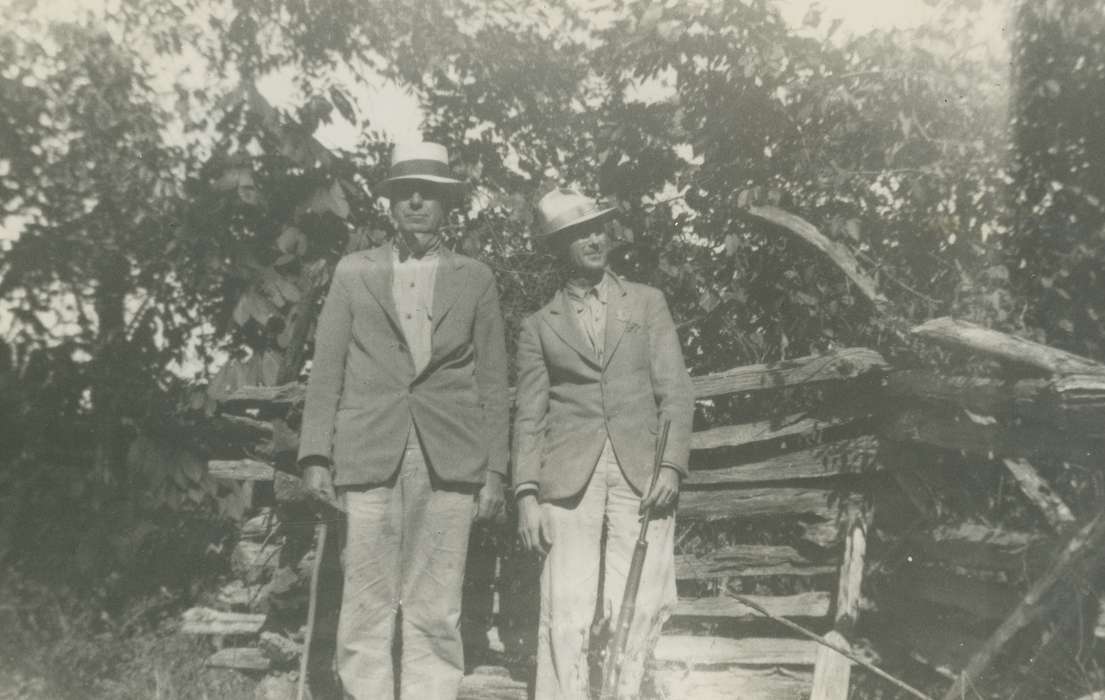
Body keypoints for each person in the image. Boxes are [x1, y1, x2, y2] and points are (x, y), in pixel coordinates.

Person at [297, 142, 509, 700]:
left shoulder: (476, 277)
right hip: (367, 451)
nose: (416, 202)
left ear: (446, 205)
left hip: (450, 456)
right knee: (366, 600)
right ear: (389, 204)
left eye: (430, 194)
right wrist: (317, 454)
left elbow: (492, 382)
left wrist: (496, 473)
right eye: (404, 193)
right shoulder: (354, 272)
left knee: (436, 604)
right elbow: (327, 370)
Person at [512, 188, 695, 699]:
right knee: (564, 609)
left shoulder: (647, 302)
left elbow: (676, 392)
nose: (593, 239)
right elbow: (529, 415)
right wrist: (526, 494)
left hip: (642, 474)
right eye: (577, 234)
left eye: (597, 228)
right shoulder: (537, 327)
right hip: (567, 481)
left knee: (635, 605)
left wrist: (671, 467)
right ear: (556, 247)